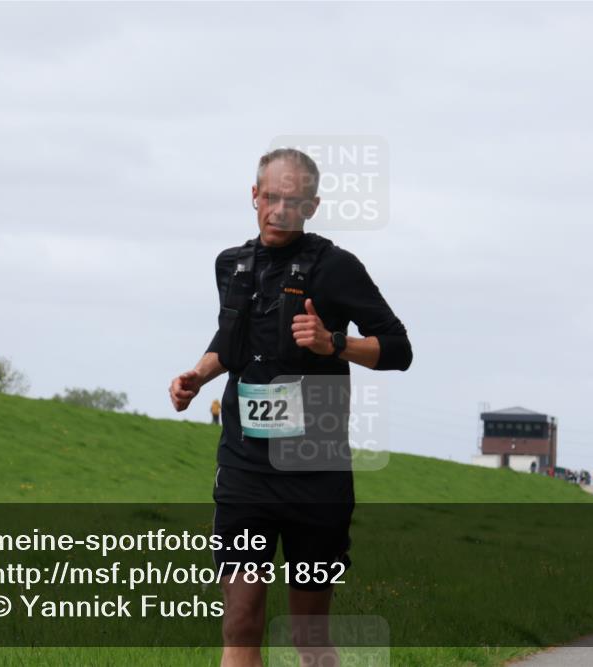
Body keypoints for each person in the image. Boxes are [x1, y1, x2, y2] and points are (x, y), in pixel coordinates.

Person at [169, 148, 412, 667]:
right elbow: (231, 340)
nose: (279, 209)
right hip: (245, 469)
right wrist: (197, 375)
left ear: (312, 205)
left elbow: (399, 349)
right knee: (239, 623)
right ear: (253, 196)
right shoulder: (231, 266)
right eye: (270, 197)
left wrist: (334, 344)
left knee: (308, 636)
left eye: (292, 200)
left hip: (315, 475)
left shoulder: (338, 268)